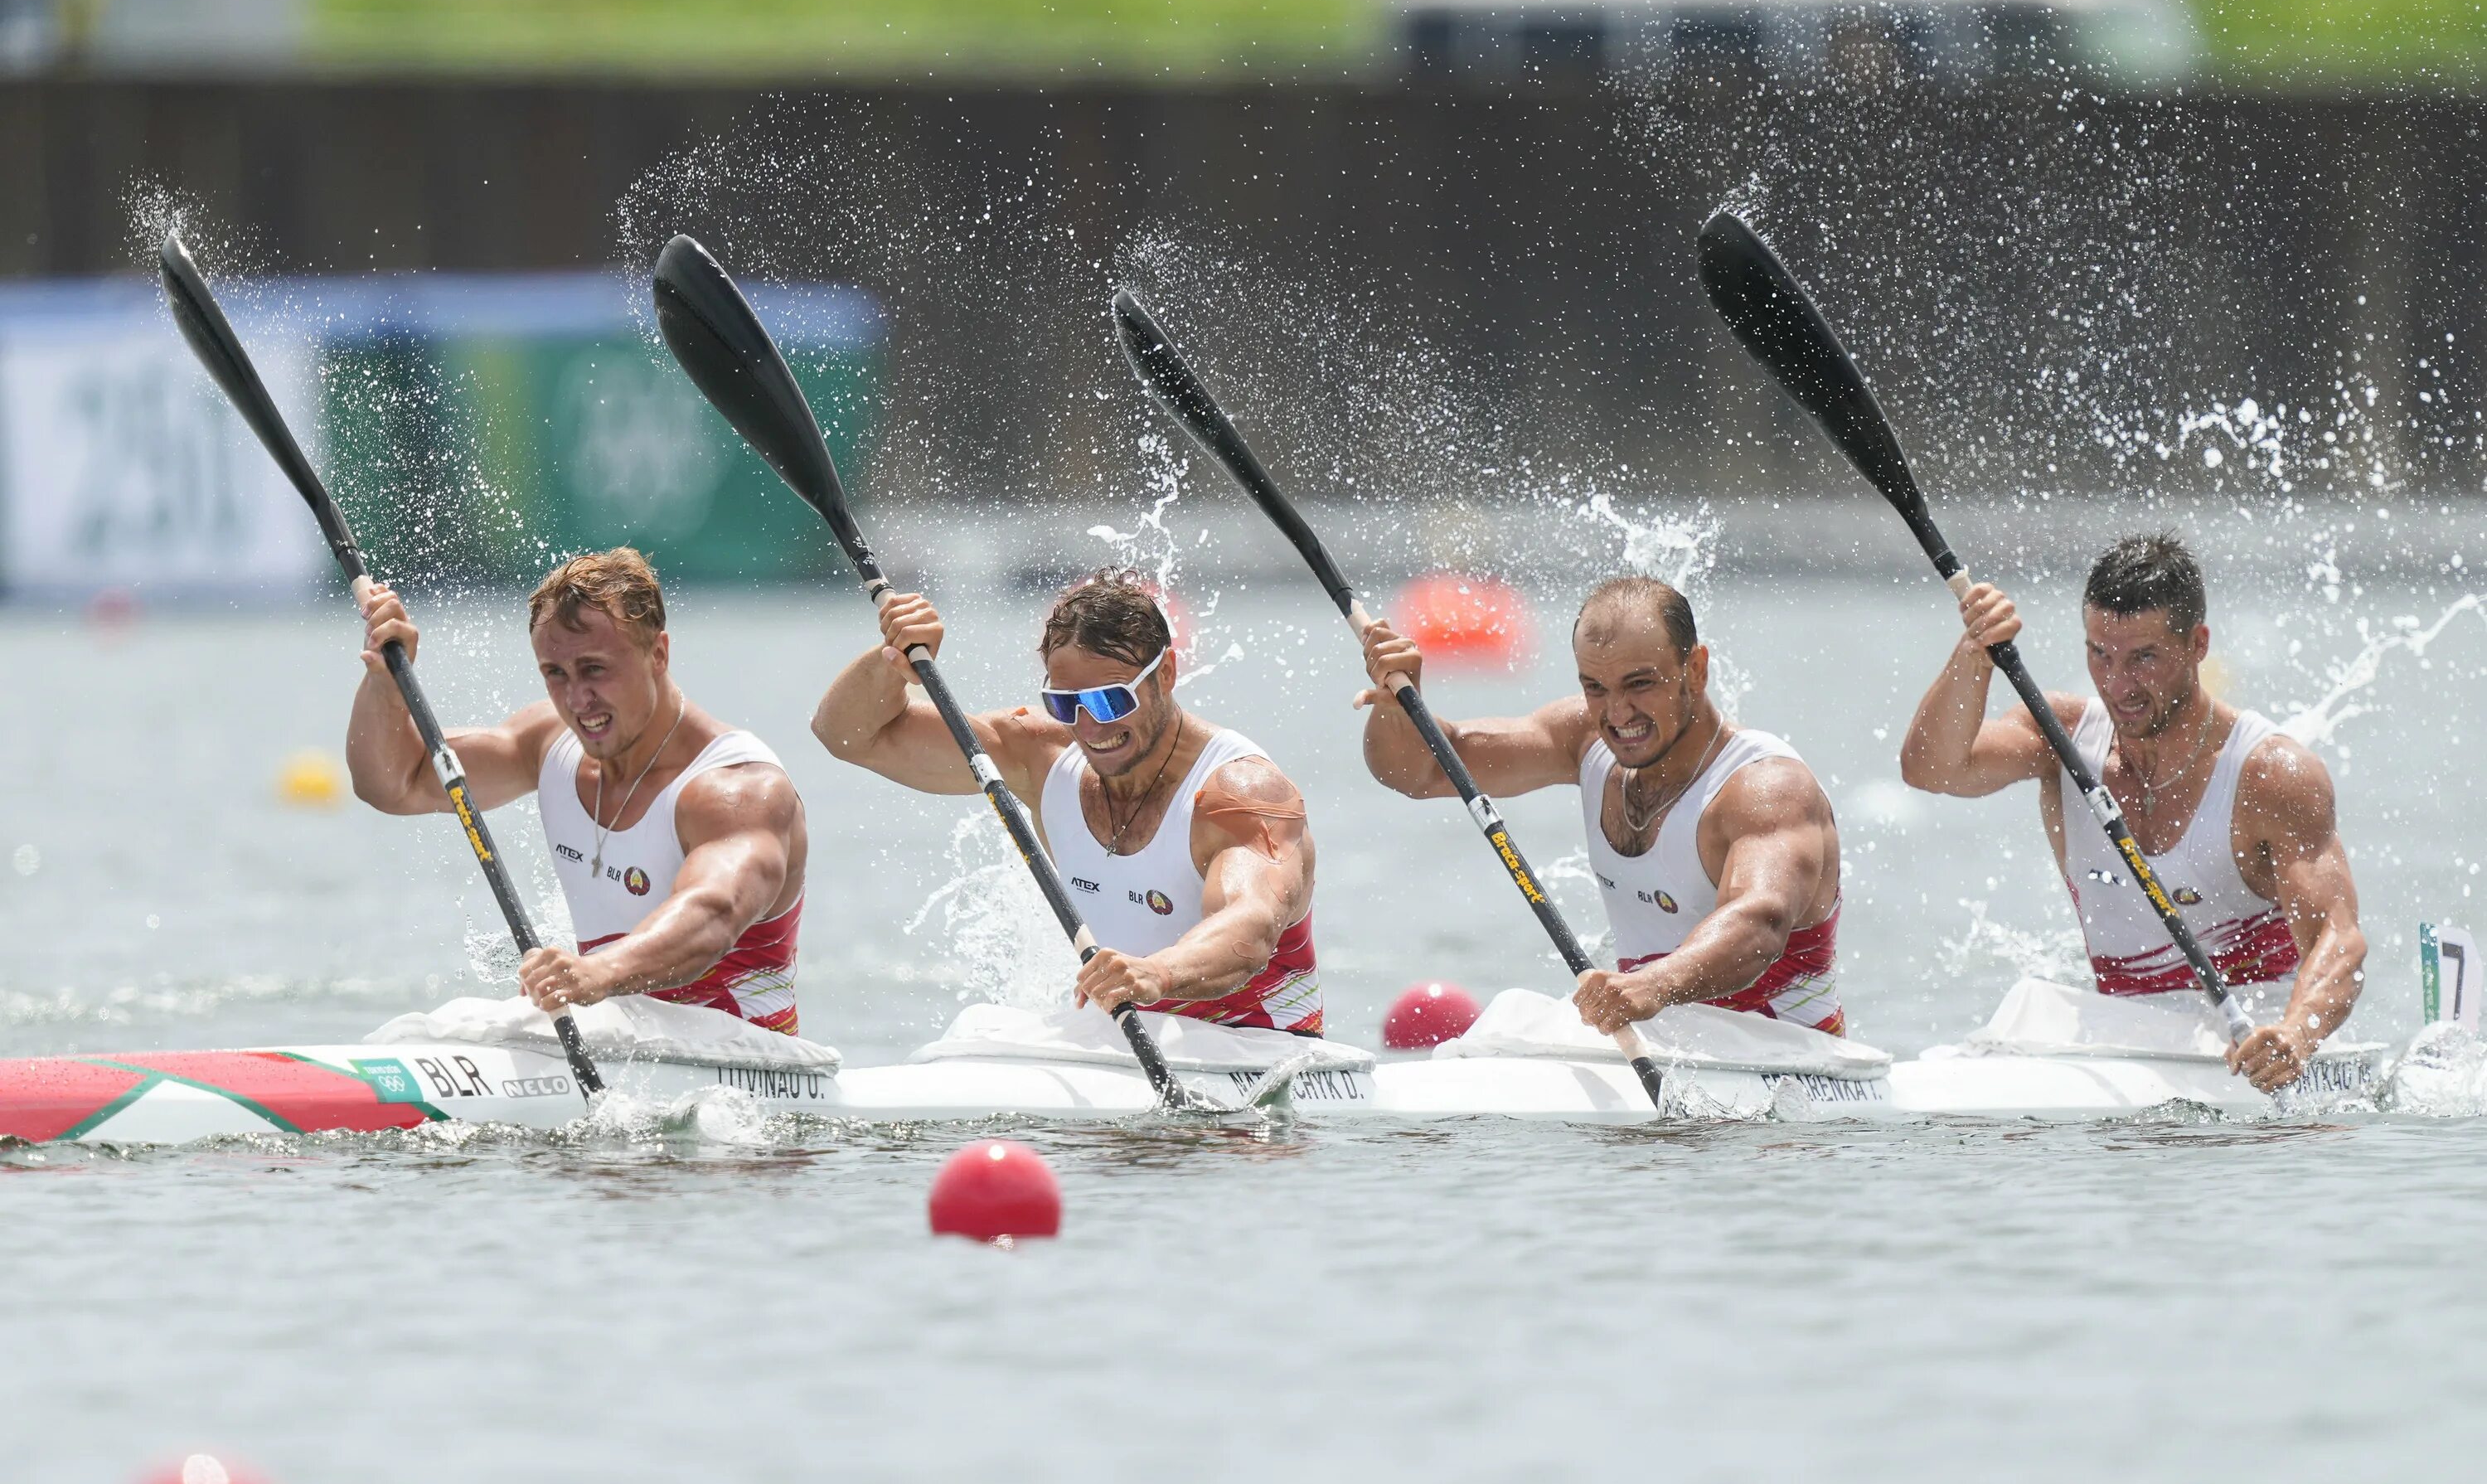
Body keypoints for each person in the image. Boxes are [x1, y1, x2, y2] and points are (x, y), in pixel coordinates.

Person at [1897, 531, 2364, 1089]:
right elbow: (1931, 770)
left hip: (2255, 1042)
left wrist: (2295, 1036)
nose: (2119, 685)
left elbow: (2340, 940)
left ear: (2197, 645)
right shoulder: (2062, 740)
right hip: (2122, 1039)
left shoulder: (2271, 774)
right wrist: (1975, 650)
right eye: (2100, 654)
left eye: (2144, 658)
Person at [814, 569, 1321, 1033]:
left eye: (1109, 700)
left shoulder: (1242, 795)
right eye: (1065, 704)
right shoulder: (1041, 756)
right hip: (1129, 1046)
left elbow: (1251, 928)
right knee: (977, 1026)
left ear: (1165, 674)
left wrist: (1156, 972)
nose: (1089, 726)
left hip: (1262, 1051)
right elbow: (848, 736)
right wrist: (891, 662)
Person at [1359, 575, 1845, 1037]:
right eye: (1595, 687)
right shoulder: (1585, 738)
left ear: (1695, 670)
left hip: (1790, 1059)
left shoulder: (1766, 787)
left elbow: (1759, 923)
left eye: (1639, 684)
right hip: (1662, 1049)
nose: (1617, 714)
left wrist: (1654, 984)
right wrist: (1397, 707)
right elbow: (1421, 771)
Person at [346, 548, 807, 1033]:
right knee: (427, 1029)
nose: (576, 701)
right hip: (614, 1036)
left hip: (745, 1056)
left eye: (594, 669)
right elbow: (393, 784)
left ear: (658, 654)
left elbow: (714, 913)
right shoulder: (548, 743)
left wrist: (598, 971)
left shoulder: (736, 789)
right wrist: (384, 680)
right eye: (555, 673)